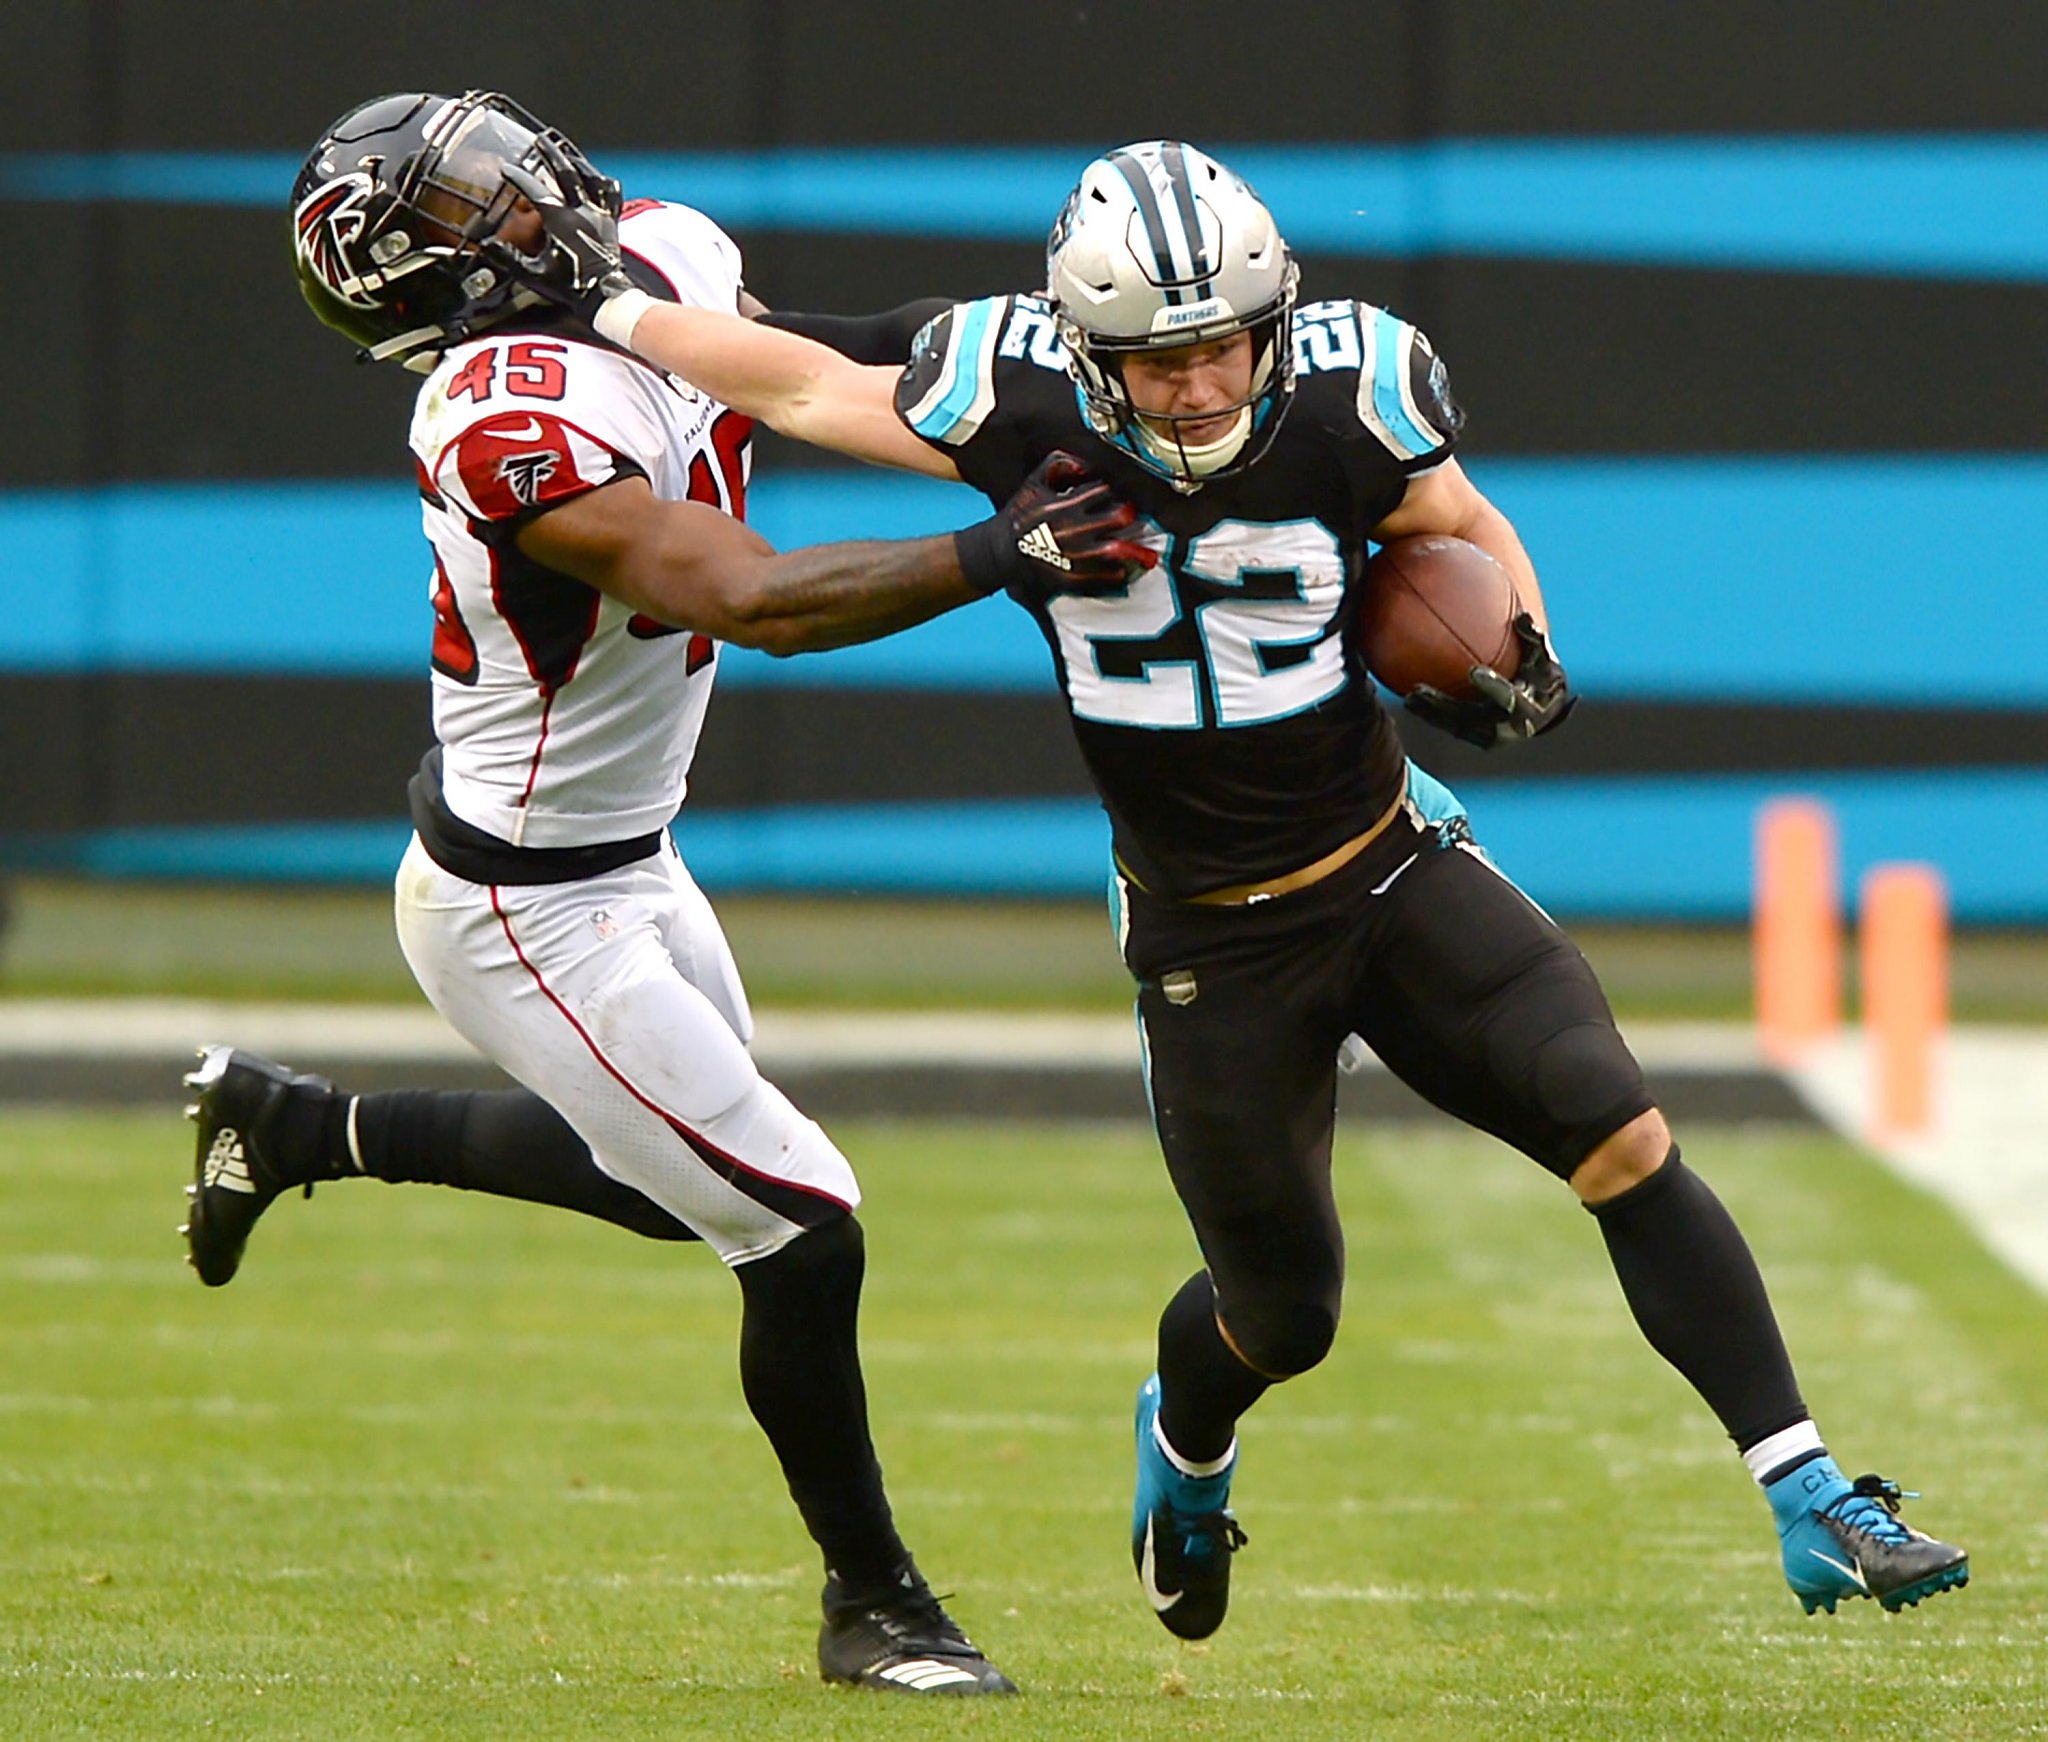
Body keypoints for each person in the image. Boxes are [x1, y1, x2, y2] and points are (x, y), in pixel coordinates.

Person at [496, 137, 1971, 1639]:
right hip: (1209, 931)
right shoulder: (1016, 400)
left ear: (1276, 322)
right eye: (1155, 361)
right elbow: (797, 376)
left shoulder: (1353, 393)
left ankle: (1811, 1490)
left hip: (1390, 858)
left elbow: (1456, 523)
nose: (1197, 386)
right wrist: (606, 310)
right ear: (1085, 349)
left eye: (1221, 347)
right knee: (1286, 1312)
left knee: (1617, 1128)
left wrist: (1522, 641)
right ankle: (1186, 1444)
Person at [183, 89, 1153, 1699]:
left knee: (670, 1182)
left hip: (628, 858)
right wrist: (1002, 550)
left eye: (507, 169)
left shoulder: (655, 252)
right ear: (414, 282)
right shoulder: (497, 417)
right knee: (800, 1219)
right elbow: (748, 596)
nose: (530, 197)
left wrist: (1036, 359)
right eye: (474, 208)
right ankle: (878, 1604)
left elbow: (829, 353)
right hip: (527, 907)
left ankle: (296, 1129)